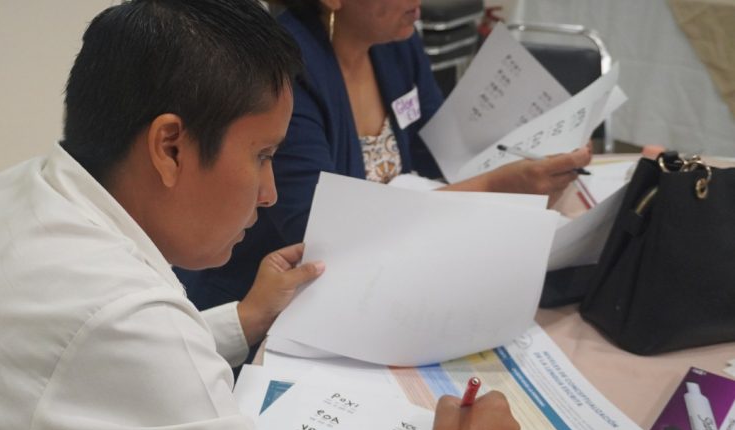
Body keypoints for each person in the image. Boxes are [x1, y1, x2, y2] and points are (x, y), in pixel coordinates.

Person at [0, 1, 520, 430]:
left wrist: (243, 319)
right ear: (170, 147)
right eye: (262, 156)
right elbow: (119, 344)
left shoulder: (11, 192)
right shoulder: (122, 319)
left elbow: (86, 366)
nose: (270, 193)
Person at [175, 0, 593, 313]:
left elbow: (436, 156)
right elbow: (320, 230)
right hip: (274, 303)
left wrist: (523, 156)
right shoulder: (284, 70)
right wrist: (495, 185)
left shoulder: (395, 44)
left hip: (385, 274)